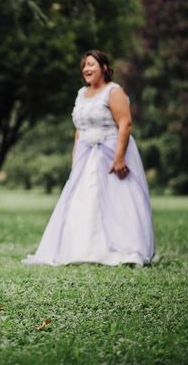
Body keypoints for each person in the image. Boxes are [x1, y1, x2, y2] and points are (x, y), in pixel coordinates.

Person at [23, 50, 154, 266]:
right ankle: (80, 251)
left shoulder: (114, 91)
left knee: (118, 201)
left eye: (91, 64)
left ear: (104, 67)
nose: (86, 68)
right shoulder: (81, 94)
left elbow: (125, 124)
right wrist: (76, 159)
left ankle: (122, 250)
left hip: (112, 154)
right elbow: (79, 129)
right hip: (86, 156)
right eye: (84, 65)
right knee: (82, 199)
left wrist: (119, 157)